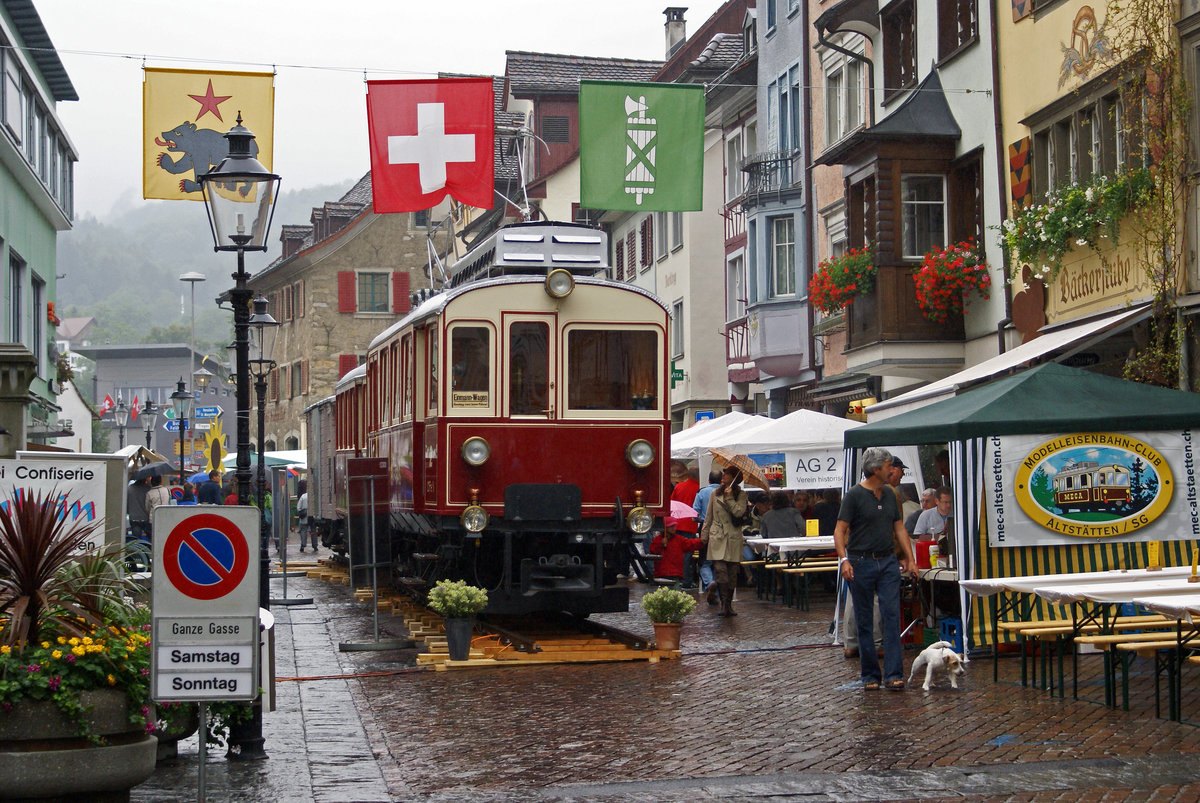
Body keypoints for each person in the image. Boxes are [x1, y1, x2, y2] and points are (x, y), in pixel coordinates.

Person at [835, 447, 917, 691]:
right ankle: (870, 675)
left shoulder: (891, 494)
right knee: (865, 620)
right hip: (861, 562)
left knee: (892, 617)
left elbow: (899, 528)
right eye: (889, 466)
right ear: (875, 469)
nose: (893, 470)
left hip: (888, 561)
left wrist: (910, 558)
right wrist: (844, 560)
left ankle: (893, 674)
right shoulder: (854, 495)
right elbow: (839, 530)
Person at [700, 465, 748, 617]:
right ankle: (723, 604)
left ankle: (728, 605)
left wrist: (729, 498)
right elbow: (709, 516)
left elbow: (739, 512)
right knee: (721, 572)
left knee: (733, 573)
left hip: (733, 537)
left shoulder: (741, 495)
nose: (723, 477)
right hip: (718, 536)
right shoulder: (715, 493)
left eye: (727, 475)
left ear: (734, 478)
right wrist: (704, 536)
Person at [693, 469, 723, 604]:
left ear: (709, 480)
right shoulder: (726, 492)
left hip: (706, 529)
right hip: (723, 530)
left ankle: (710, 583)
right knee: (719, 562)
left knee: (705, 562)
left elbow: (695, 514)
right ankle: (716, 591)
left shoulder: (702, 492)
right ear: (721, 480)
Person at [670, 464, 701, 587]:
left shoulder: (679, 487)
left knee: (678, 554)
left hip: (677, 523)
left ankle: (678, 579)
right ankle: (687, 581)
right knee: (687, 555)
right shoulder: (699, 488)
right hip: (690, 525)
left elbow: (671, 503)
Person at [649, 517, 703, 583]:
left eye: (674, 526)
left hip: (675, 574)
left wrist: (702, 541)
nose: (673, 528)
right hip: (662, 574)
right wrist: (661, 544)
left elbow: (690, 544)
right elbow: (652, 551)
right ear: (665, 528)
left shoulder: (678, 539)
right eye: (671, 526)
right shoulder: (658, 539)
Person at [298, 484, 316, 552]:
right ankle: (315, 546)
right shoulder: (315, 496)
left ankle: (303, 545)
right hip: (313, 516)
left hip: (304, 517)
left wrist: (302, 511)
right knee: (313, 531)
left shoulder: (303, 496)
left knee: (303, 531)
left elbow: (298, 507)